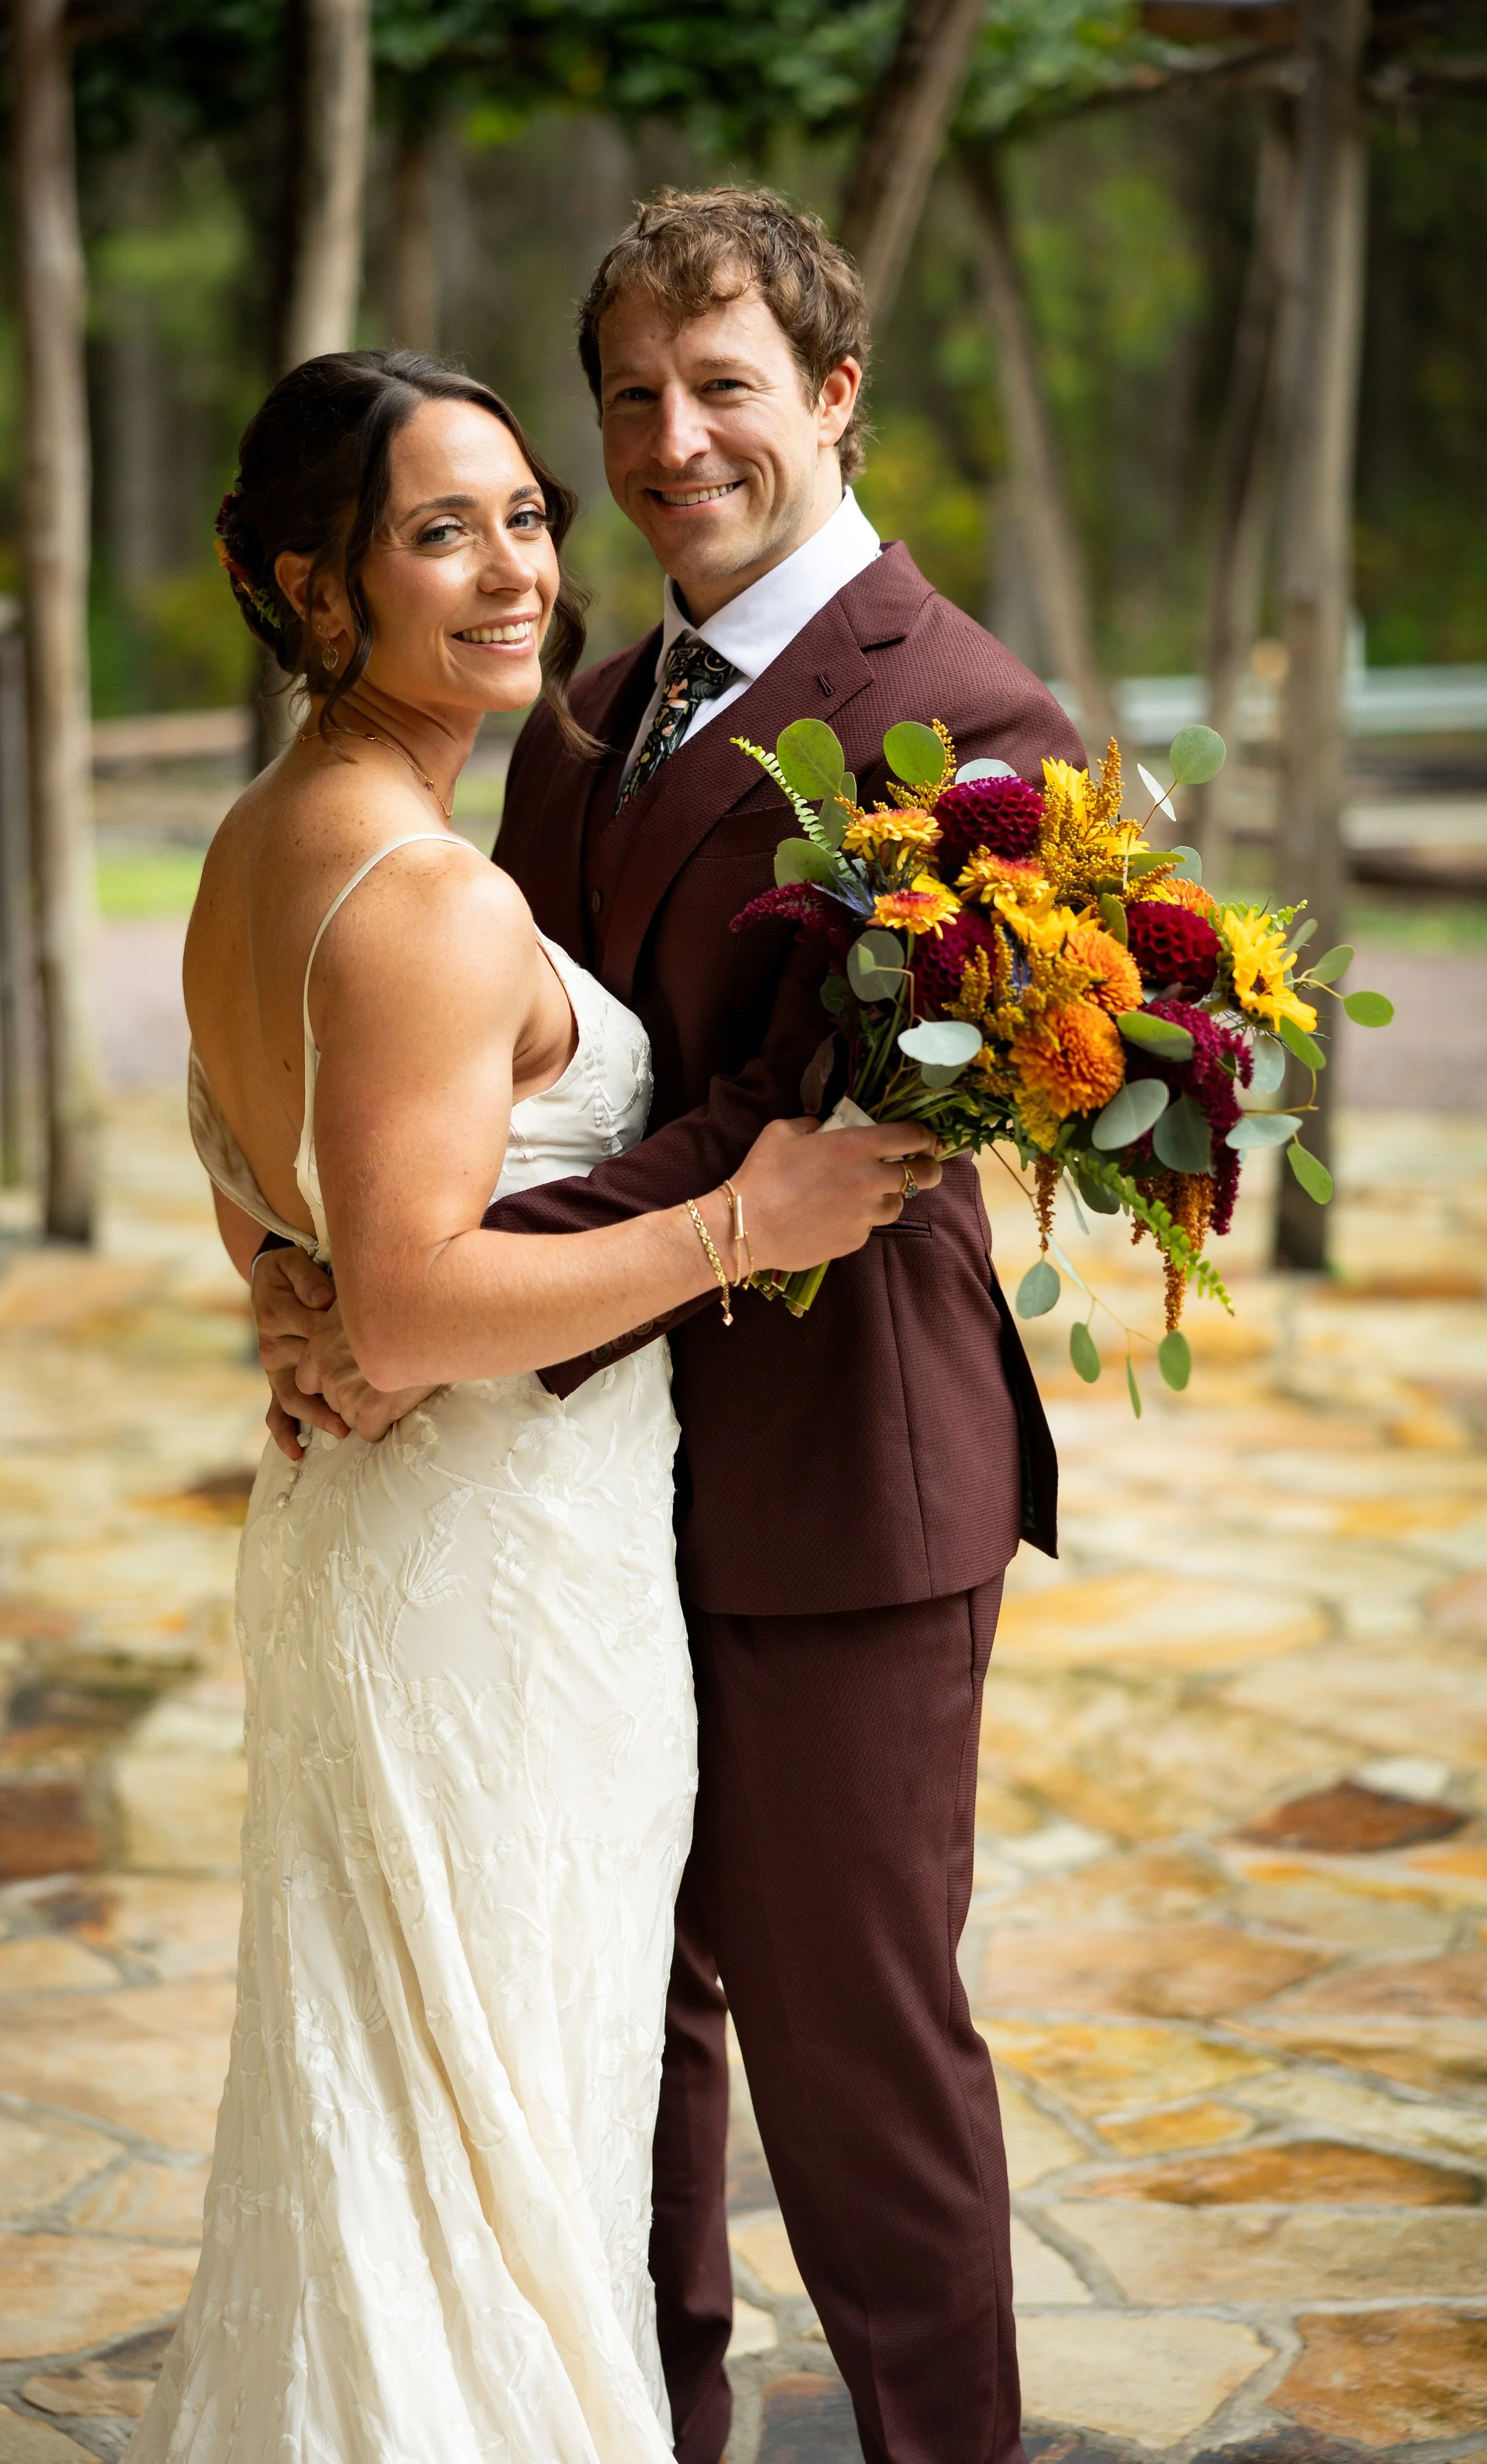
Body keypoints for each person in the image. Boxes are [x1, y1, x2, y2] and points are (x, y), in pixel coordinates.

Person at [262, 191, 1088, 2464]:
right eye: (626, 394)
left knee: (856, 2043)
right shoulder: (593, 709)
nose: (668, 439)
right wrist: (342, 1271)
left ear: (830, 391)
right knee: (618, 2018)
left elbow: (806, 1114)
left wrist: (406, 1311)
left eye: (721, 383)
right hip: (584, 1479)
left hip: (843, 1470)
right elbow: (510, 1067)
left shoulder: (970, 719)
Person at [129, 347, 937, 2464]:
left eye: (521, 513)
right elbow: (408, 1296)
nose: (514, 571)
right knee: (485, 2111)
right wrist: (747, 1219)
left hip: (413, 1553)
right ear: (313, 590)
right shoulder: (423, 895)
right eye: (437, 531)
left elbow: (280, 1213)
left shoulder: (262, 843)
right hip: (488, 1587)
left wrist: (304, 1304)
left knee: (413, 2108)